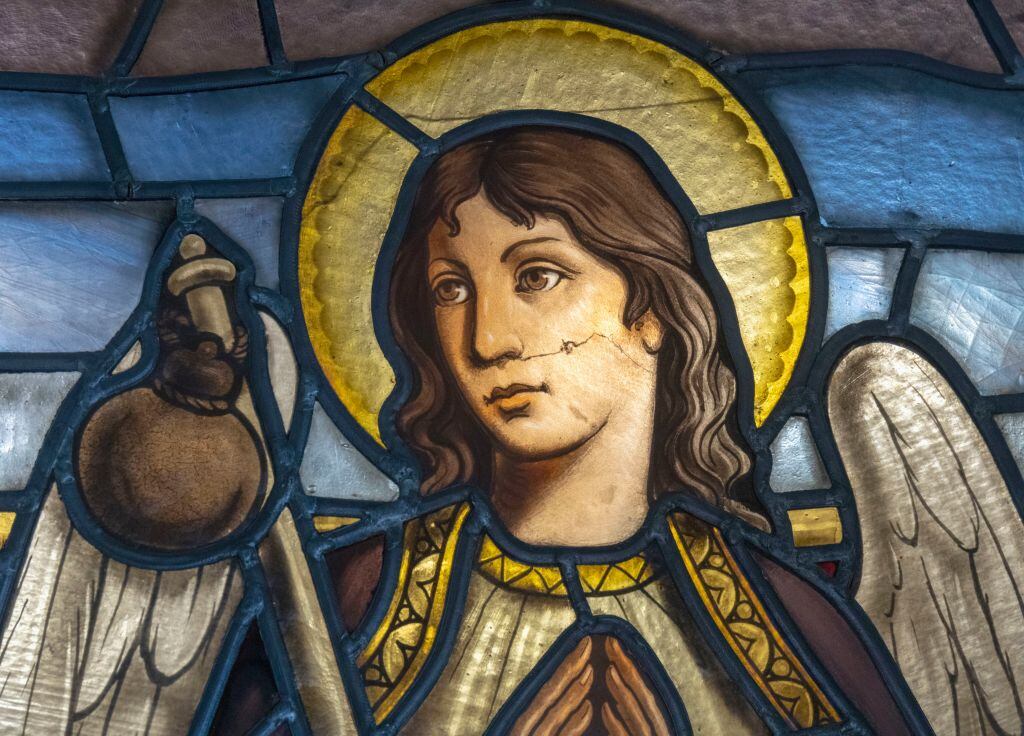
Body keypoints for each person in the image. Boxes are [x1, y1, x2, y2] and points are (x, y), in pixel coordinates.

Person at [220, 127, 914, 734]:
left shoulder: (783, 630)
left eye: (538, 276)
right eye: (451, 290)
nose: (487, 341)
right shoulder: (352, 602)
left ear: (651, 309)